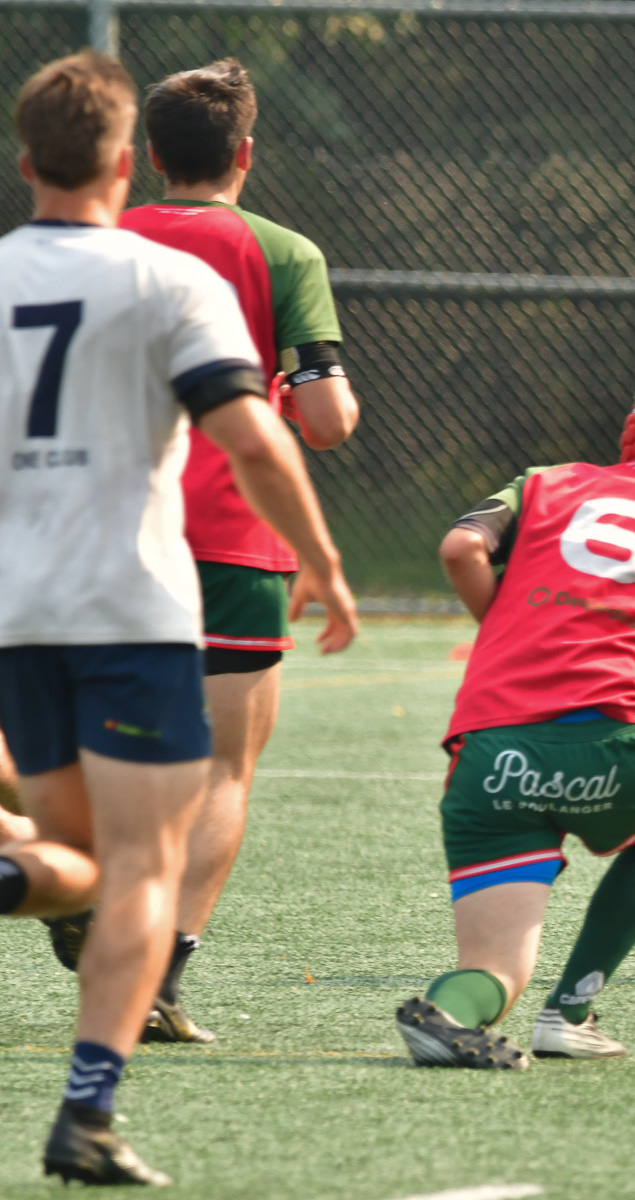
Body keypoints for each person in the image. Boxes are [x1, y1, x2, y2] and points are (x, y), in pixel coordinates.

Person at [0, 52, 357, 1184]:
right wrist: (327, 562)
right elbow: (271, 433)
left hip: (20, 606)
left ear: (27, 163)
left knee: (77, 859)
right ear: (120, 160)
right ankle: (88, 1114)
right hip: (144, 597)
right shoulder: (189, 277)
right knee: (149, 862)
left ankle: (19, 881)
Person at [398, 384, 635, 1068]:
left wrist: (504, 630)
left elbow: (460, 548)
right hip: (610, 747)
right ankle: (572, 1011)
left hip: (489, 753)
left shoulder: (544, 482)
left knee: (496, 970)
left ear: (627, 439)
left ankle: (448, 1013)